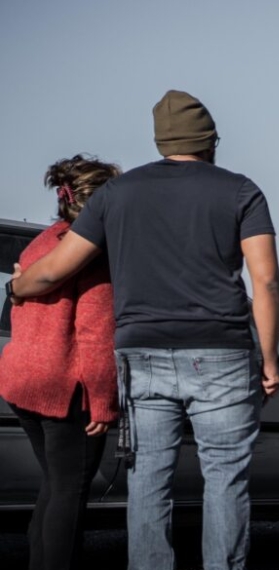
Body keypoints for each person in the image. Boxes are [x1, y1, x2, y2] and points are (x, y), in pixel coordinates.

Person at [10, 90, 279, 570]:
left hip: (143, 355)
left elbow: (55, 269)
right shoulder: (242, 191)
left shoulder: (117, 194)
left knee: (149, 482)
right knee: (225, 479)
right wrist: (269, 359)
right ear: (211, 140)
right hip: (221, 351)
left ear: (160, 140)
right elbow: (265, 280)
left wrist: (16, 287)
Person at [0, 155, 120, 570]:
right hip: (65, 390)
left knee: (54, 487)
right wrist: (104, 402)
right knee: (69, 492)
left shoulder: (44, 241)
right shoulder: (92, 253)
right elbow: (96, 334)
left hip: (23, 383)